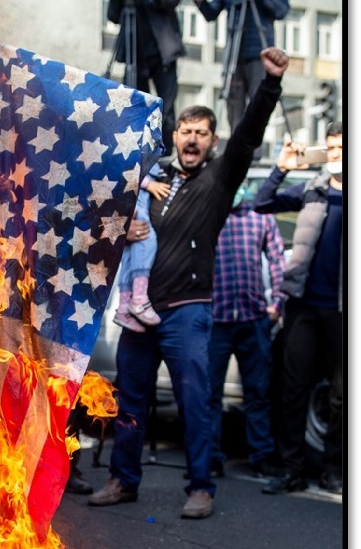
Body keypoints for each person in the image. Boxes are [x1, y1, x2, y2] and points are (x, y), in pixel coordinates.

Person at [87, 47, 289, 520]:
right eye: (186, 131)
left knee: (195, 402)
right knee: (132, 402)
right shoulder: (154, 177)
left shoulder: (219, 180)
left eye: (201, 133)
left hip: (189, 311)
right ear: (174, 136)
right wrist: (126, 229)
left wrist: (270, 84)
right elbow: (112, 212)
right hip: (140, 313)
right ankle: (123, 480)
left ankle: (201, 487)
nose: (192, 139)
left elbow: (248, 135)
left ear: (211, 141)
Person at [255, 123, 343, 496]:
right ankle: (291, 468)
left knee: (342, 397)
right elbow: (261, 202)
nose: (337, 153)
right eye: (332, 147)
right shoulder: (313, 188)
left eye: (343, 146)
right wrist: (283, 167)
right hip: (304, 305)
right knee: (293, 389)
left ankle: (334, 469)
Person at [207, 180, 286, 479]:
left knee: (258, 392)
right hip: (216, 318)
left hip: (254, 319)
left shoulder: (261, 215)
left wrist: (277, 304)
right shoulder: (211, 213)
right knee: (210, 394)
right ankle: (211, 457)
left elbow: (278, 260)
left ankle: (261, 455)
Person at [193, 0, 289, 132]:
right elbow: (211, 14)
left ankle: (255, 152)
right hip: (234, 56)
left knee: (258, 104)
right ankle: (235, 149)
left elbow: (281, 12)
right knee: (233, 105)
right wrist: (201, 2)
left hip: (261, 55)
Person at [107, 0, 184, 154]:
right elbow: (113, 17)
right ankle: (135, 155)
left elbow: (171, 0)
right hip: (135, 57)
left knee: (165, 112)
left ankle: (164, 158)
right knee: (134, 108)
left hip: (162, 56)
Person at [112, 169, 170, 332]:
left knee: (130, 253)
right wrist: (149, 184)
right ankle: (138, 298)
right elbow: (128, 166)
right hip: (135, 199)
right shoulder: (140, 146)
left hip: (134, 197)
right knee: (147, 238)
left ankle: (124, 306)